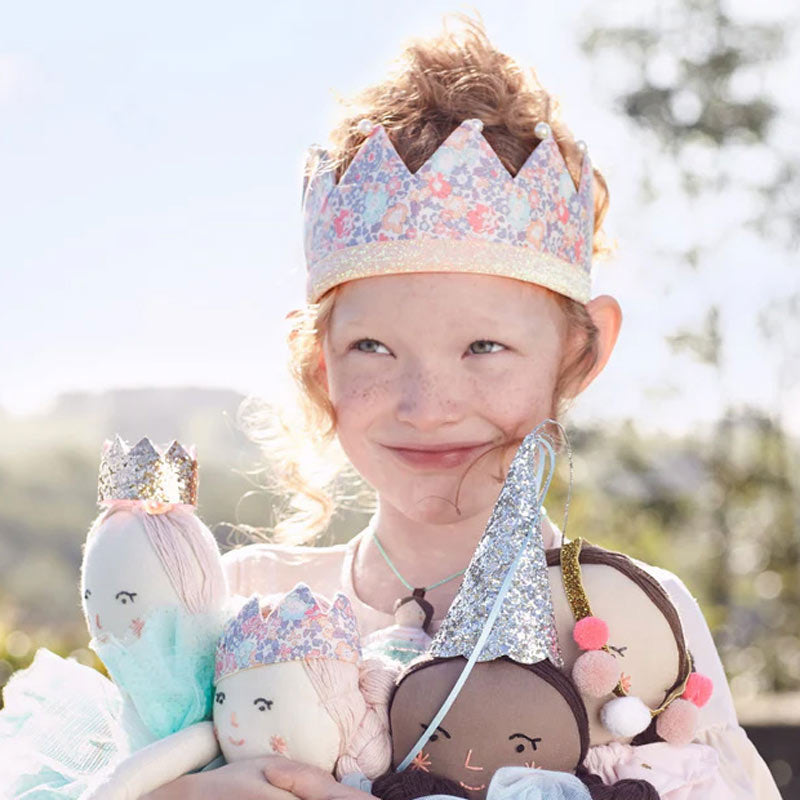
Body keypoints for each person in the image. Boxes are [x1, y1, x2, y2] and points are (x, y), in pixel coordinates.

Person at [144, 15, 780, 800]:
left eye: (484, 349)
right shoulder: (231, 602)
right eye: (373, 348)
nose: (427, 407)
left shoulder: (630, 623)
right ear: (319, 364)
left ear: (581, 353)